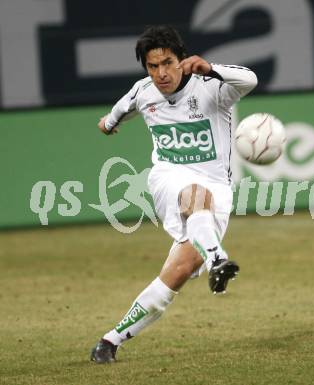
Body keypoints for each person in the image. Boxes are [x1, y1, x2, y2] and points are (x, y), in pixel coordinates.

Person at [91, 25, 257, 363]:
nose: (161, 73)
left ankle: (109, 341)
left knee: (179, 271)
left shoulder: (212, 87)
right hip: (169, 177)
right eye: (153, 67)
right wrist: (108, 123)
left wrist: (211, 67)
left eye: (167, 63)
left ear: (182, 59)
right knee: (193, 194)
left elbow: (250, 79)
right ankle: (217, 261)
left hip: (218, 188)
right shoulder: (143, 92)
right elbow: (115, 115)